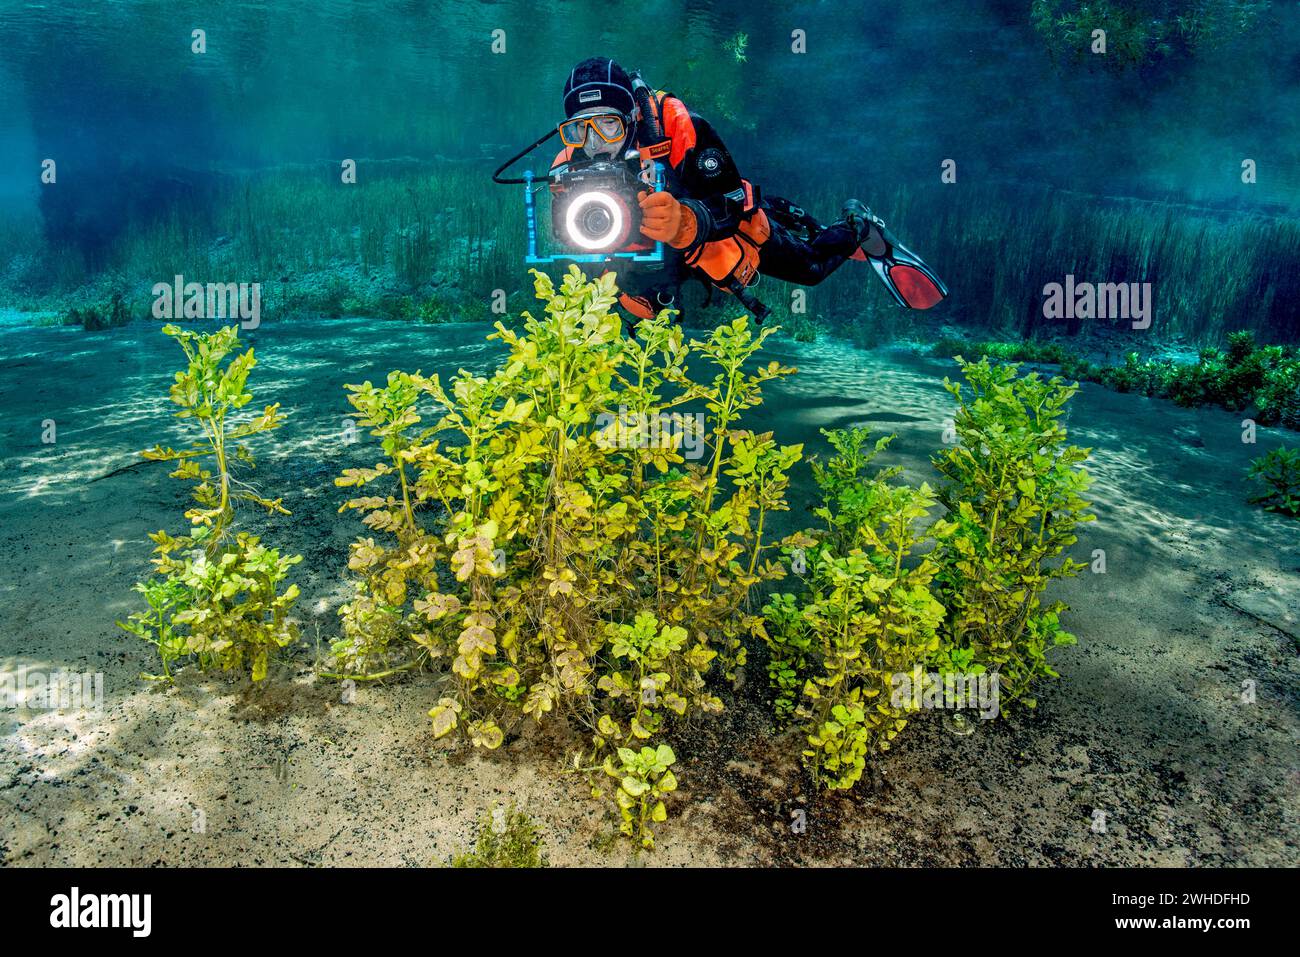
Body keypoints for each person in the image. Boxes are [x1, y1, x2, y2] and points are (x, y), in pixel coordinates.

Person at [552, 56, 946, 323]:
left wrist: (688, 221)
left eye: (608, 125)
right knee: (647, 313)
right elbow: (570, 235)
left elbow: (732, 201)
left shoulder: (681, 127)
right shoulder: (569, 164)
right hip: (656, 254)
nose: (595, 142)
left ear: (634, 115)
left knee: (809, 268)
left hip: (718, 230)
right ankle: (781, 211)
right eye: (579, 128)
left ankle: (860, 225)